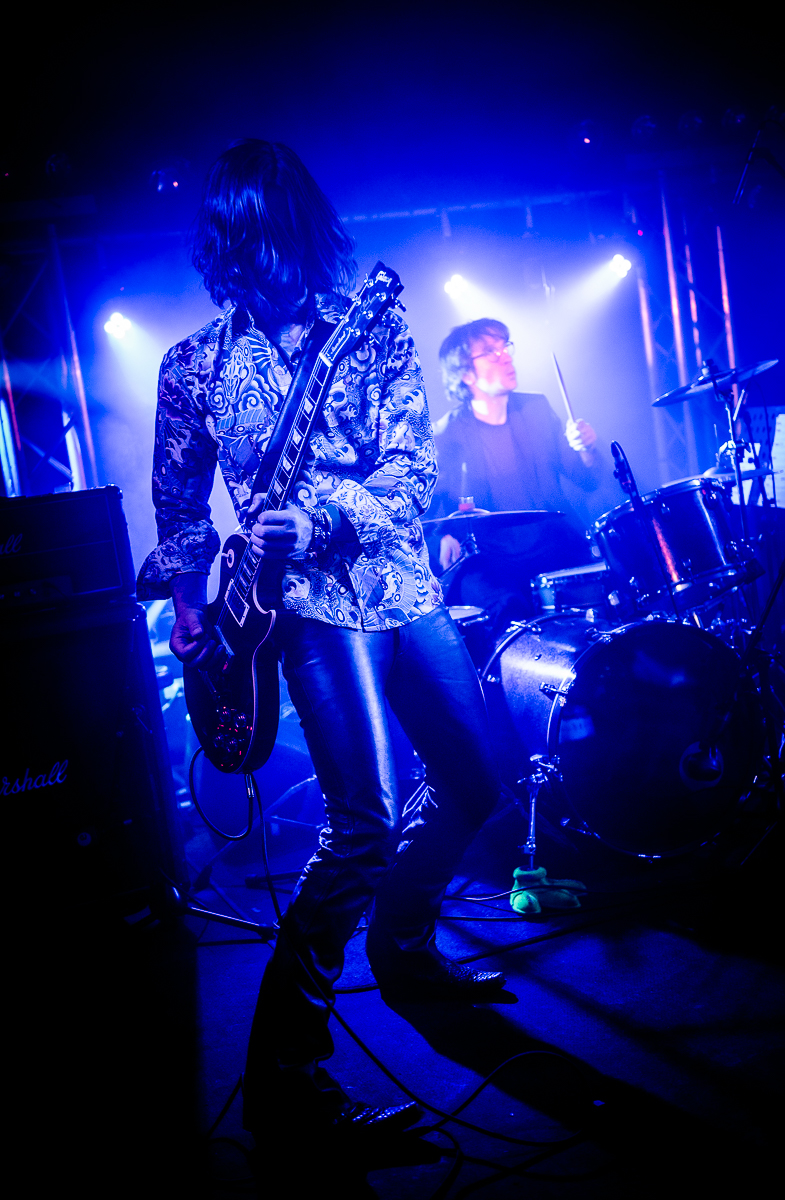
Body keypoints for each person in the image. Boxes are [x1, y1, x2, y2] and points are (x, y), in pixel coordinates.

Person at [136, 141, 503, 1142]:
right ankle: (285, 1076)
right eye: (239, 245)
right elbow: (178, 504)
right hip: (298, 608)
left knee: (475, 783)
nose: (259, 263)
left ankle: (403, 945)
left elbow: (412, 469)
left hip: (399, 583)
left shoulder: (371, 325)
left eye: (272, 240)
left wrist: (327, 514)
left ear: (301, 232)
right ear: (223, 247)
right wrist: (190, 607)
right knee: (363, 822)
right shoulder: (195, 365)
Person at [431, 318, 603, 619]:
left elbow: (586, 479)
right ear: (466, 373)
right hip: (491, 558)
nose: (505, 357)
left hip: (552, 543)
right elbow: (429, 511)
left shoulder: (536, 409)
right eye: (490, 351)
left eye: (505, 346)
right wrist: (441, 539)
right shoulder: (447, 435)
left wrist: (586, 448)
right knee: (497, 601)